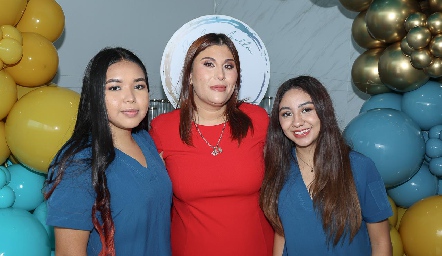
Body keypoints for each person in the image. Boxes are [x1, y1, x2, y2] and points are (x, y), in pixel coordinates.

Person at [149, 33, 274, 255]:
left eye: (229, 66)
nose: (220, 75)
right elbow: (147, 201)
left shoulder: (258, 120)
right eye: (209, 64)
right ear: (189, 75)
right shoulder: (162, 129)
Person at [44, 47, 172, 256]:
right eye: (115, 88)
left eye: (139, 86)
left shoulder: (146, 141)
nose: (130, 97)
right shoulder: (79, 163)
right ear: (95, 95)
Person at [260, 76, 392, 256]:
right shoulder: (278, 169)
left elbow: (380, 242)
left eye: (306, 110)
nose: (297, 122)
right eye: (287, 114)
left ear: (323, 111)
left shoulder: (361, 167)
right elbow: (281, 236)